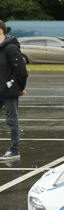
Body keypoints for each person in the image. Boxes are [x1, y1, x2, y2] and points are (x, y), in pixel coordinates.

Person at [0, 21, 28, 161]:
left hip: (9, 91)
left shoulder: (11, 48)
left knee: (12, 121)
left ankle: (14, 150)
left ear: (0, 31)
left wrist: (20, 88)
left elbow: (22, 71)